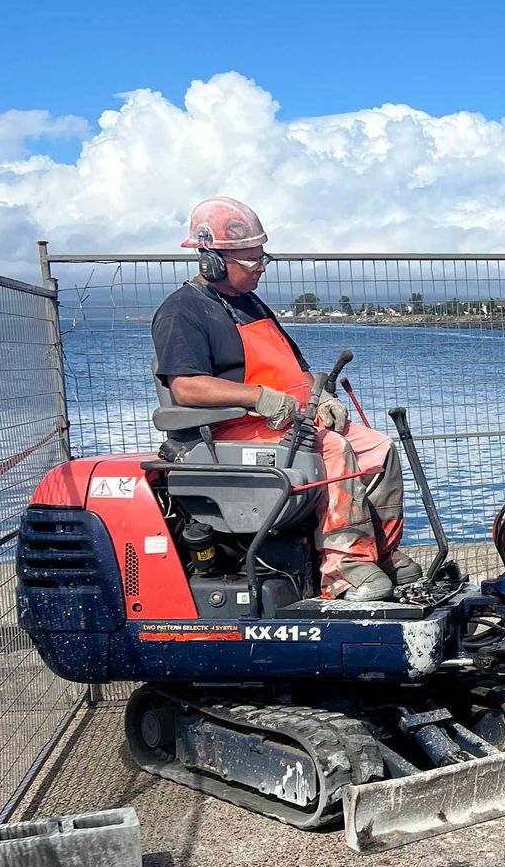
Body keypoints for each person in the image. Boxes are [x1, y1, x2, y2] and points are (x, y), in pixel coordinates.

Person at [150, 197, 420, 602]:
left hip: (286, 424)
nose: (261, 266)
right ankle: (343, 570)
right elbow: (186, 386)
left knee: (379, 450)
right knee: (333, 451)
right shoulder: (182, 312)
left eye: (263, 257)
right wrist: (258, 398)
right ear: (213, 262)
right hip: (231, 433)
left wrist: (321, 394)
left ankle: (378, 554)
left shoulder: (251, 305)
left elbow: (298, 368)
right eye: (250, 259)